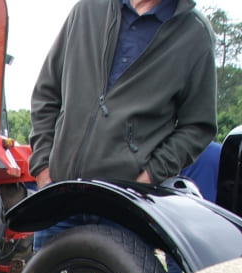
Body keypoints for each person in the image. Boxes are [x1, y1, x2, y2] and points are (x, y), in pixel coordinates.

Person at [28, 0, 217, 248]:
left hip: (126, 205)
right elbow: (46, 93)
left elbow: (197, 126)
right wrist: (43, 170)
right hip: (61, 196)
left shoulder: (194, 32)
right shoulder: (88, 9)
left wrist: (147, 178)